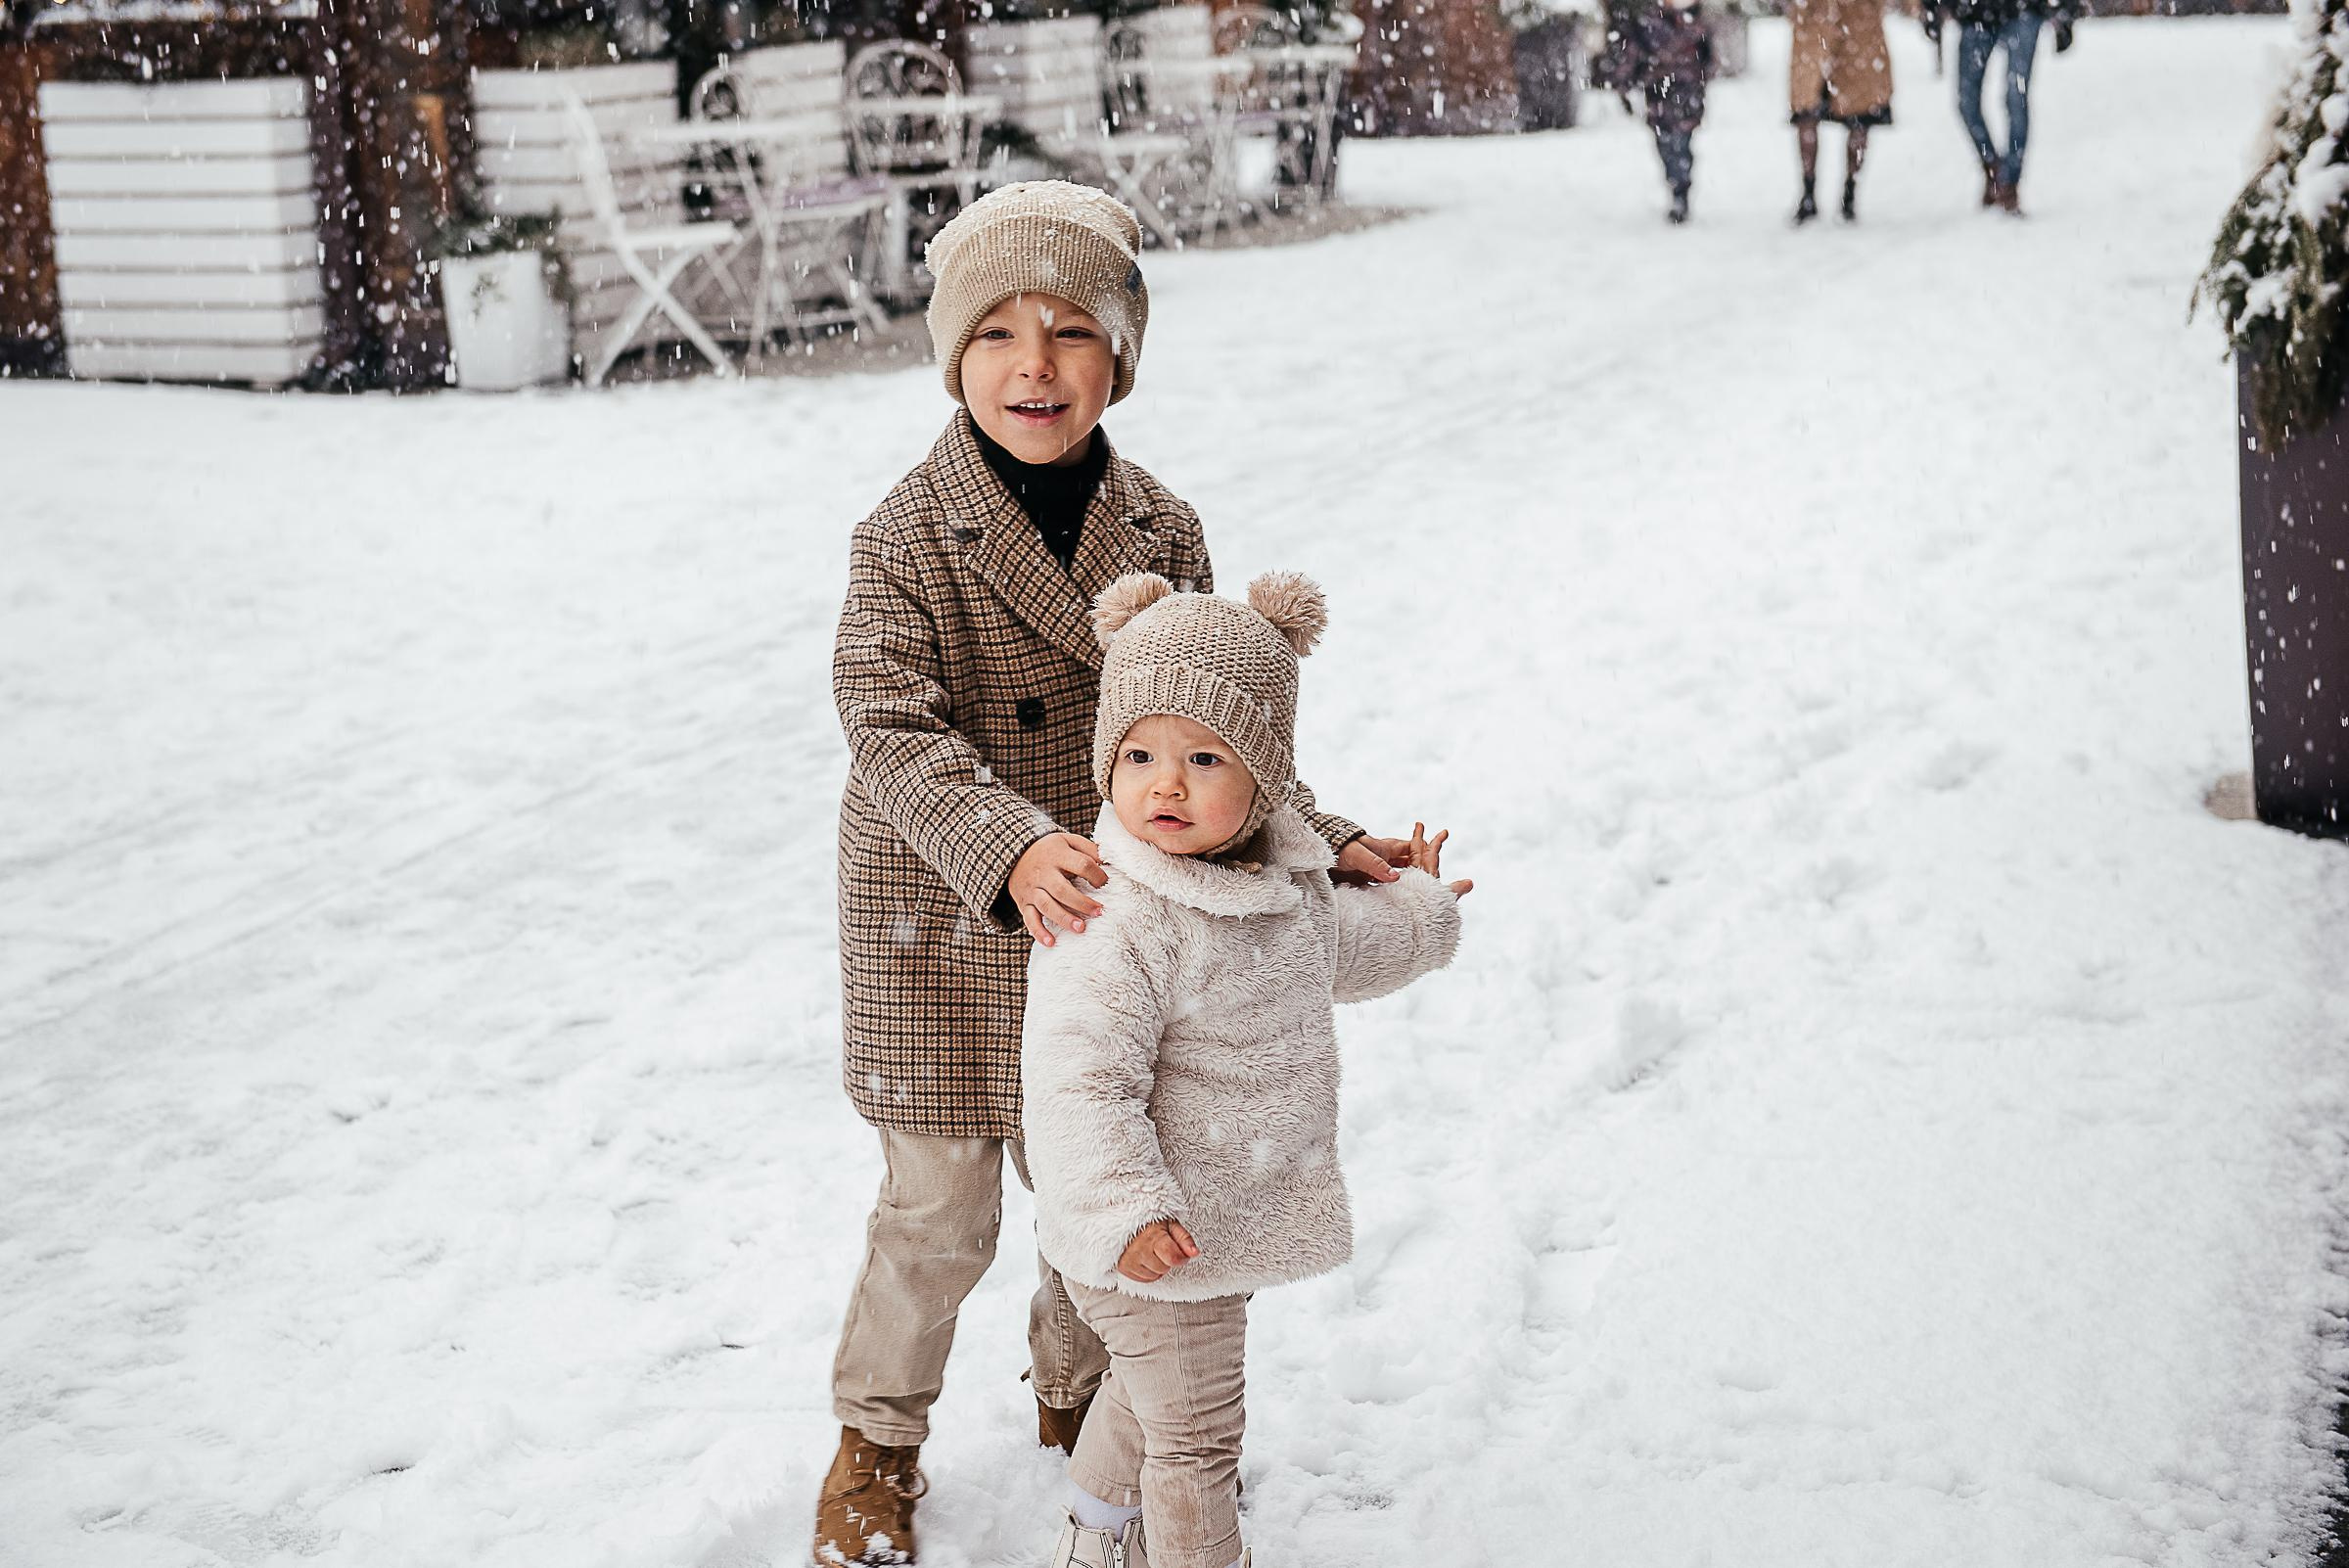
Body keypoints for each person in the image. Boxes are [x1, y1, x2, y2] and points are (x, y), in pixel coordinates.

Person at [817, 181, 1416, 1567]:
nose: (1035, 366)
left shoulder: (1160, 528)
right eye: (998, 334)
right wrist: (1008, 841)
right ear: (954, 356)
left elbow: (1221, 717)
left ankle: (1092, 1390)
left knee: (1102, 1172)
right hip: (942, 917)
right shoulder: (905, 534)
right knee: (936, 1209)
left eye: (1073, 331)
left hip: (1115, 922)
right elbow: (887, 721)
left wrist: (1320, 833)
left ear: (1121, 356)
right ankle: (876, 1434)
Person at [1023, 572, 1470, 1568]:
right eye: (1138, 755)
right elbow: (1075, 1084)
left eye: (1203, 757)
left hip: (1213, 1220)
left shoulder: (1275, 886)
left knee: (1150, 1398)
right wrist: (1127, 1212)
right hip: (1149, 1234)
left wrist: (1425, 910)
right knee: (1196, 1441)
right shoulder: (1114, 914)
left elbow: (1344, 952)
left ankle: (1093, 1538)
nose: (1165, 785)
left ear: (1264, 776)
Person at [1932, 0, 2077, 214]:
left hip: (2024, 10)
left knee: (2016, 97)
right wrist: (1933, 8)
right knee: (1967, 103)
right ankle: (1993, 167)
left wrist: (2066, 11)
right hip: (1976, 12)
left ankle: (2009, 182)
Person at [1607, 0, 1716, 224]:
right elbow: (1633, 55)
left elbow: (1708, 59)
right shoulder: (1649, 25)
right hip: (1660, 95)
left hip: (1687, 93)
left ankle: (1680, 191)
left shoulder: (1696, 23)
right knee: (1666, 146)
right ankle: (1677, 186)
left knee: (1681, 143)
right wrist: (1625, 84)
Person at [1786, 0, 1894, 223]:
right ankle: (1810, 192)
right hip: (1817, 27)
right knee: (1807, 112)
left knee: (1859, 115)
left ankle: (1848, 192)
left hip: (1856, 30)